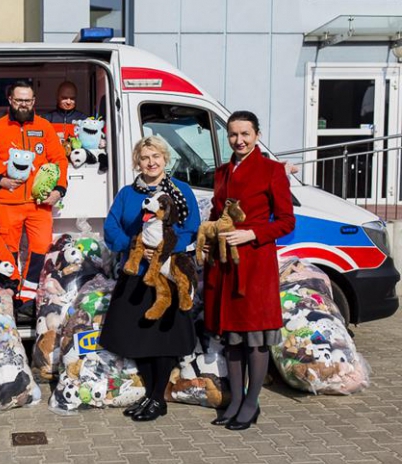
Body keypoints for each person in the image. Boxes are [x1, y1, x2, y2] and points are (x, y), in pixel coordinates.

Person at [202, 111, 295, 431]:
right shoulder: (221, 172)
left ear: (257, 135)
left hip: (255, 266)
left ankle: (252, 402)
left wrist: (252, 233)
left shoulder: (272, 171)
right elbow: (217, 213)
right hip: (225, 266)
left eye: (245, 134)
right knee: (232, 338)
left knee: (255, 339)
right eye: (233, 134)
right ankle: (237, 400)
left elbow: (286, 221)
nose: (239, 140)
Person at [99, 135, 199, 422]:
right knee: (138, 336)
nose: (151, 162)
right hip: (138, 274)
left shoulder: (180, 191)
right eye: (145, 157)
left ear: (165, 159)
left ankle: (157, 398)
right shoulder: (128, 194)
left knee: (163, 339)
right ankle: (150, 395)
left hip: (168, 274)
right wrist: (133, 246)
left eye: (156, 156)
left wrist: (163, 251)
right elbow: (111, 227)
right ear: (137, 162)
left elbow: (191, 228)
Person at [0, 81, 68, 313]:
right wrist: (1, 181)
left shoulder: (45, 128)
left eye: (27, 100)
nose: (23, 104)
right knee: (8, 251)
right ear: (10, 100)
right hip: (8, 202)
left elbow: (60, 160)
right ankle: (10, 296)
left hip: (39, 204)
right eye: (19, 100)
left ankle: (28, 299)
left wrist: (59, 190)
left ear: (34, 101)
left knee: (40, 248)